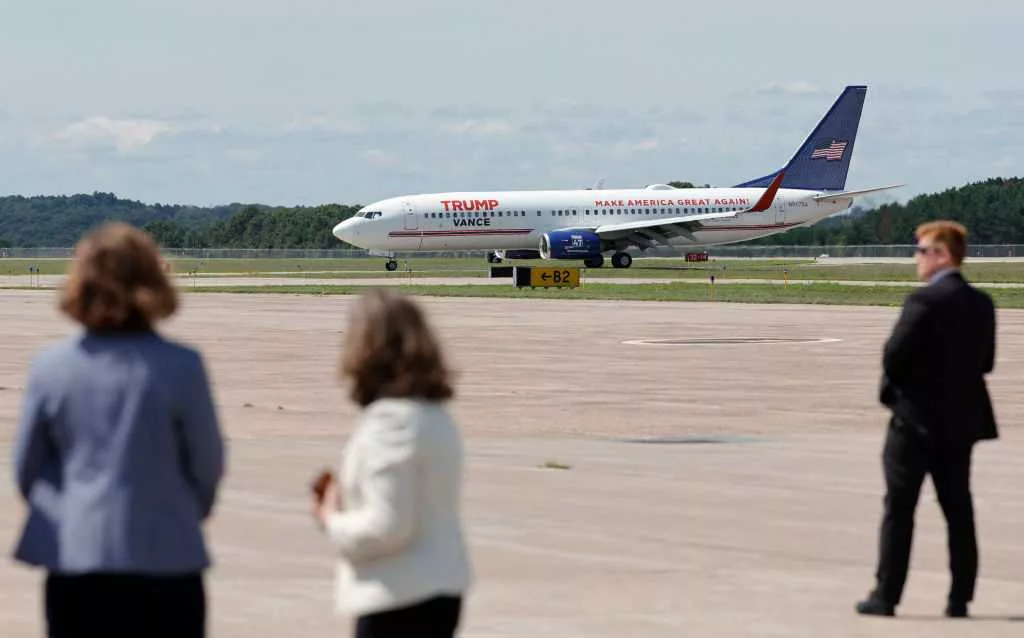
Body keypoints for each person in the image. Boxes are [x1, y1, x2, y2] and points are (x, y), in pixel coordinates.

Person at [11, 222, 225, 638]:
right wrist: (176, 513)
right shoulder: (183, 366)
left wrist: (72, 516)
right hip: (168, 558)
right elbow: (207, 464)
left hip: (77, 559)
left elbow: (26, 471)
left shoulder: (51, 367)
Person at [856, 220, 997, 618]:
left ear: (942, 255)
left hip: (915, 422)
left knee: (899, 510)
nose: (916, 258)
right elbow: (985, 362)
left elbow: (894, 357)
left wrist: (896, 397)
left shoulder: (923, 302)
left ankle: (887, 596)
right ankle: (960, 599)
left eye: (921, 251)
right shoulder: (982, 303)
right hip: (962, 421)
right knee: (958, 510)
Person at [313, 289, 472, 637]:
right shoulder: (434, 415)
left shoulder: (392, 422)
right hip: (439, 589)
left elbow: (388, 526)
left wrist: (331, 519)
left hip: (399, 595)